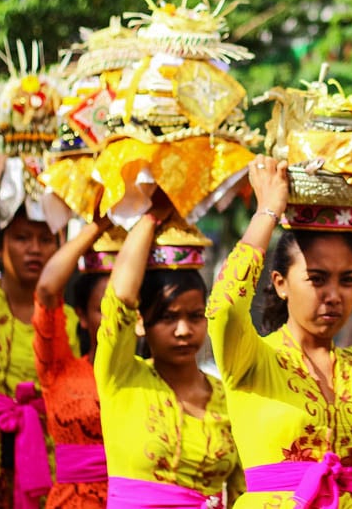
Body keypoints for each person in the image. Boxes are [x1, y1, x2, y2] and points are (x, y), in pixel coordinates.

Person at [206, 155, 352, 508]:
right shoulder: (251, 358)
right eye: (316, 279)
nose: (333, 296)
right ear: (280, 283)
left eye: (348, 281)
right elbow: (225, 306)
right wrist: (267, 212)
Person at [94, 197, 242, 507]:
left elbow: (242, 494)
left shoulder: (229, 398)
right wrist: (150, 217)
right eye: (167, 317)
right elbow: (119, 297)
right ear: (141, 322)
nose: (184, 330)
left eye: (195, 316)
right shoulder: (120, 378)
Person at [0, 154, 79, 509]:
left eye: (46, 240)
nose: (34, 249)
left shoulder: (70, 319)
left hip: (43, 463)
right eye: (22, 237)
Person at [33, 216, 113, 507]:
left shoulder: (154, 377)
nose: (116, 318)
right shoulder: (59, 369)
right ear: (80, 315)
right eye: (104, 308)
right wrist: (98, 227)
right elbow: (46, 290)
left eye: (126, 305)